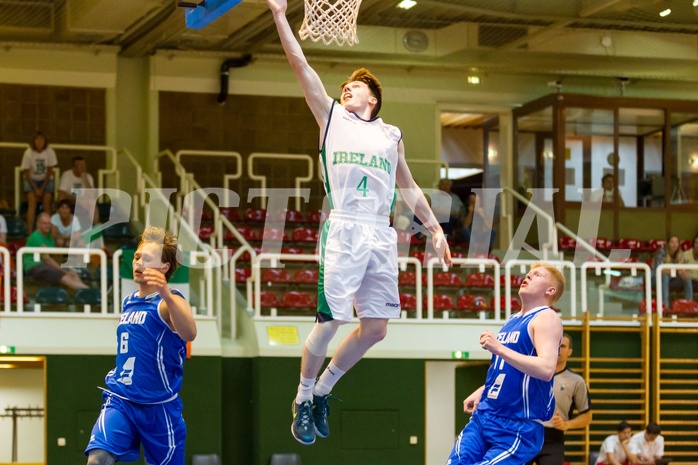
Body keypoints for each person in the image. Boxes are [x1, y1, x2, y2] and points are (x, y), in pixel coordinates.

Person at [267, 0, 452, 446]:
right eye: (344, 86)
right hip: (346, 226)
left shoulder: (391, 136)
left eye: (354, 87)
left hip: (381, 232)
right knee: (330, 321)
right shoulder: (331, 117)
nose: (345, 89)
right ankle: (302, 397)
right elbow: (299, 63)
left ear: (373, 97)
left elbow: (408, 186)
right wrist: (278, 15)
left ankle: (325, 390)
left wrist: (435, 227)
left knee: (376, 328)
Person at [84, 226, 197, 464]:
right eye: (137, 257)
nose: (139, 262)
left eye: (147, 259)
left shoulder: (170, 301)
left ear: (164, 268)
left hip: (160, 407)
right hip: (122, 399)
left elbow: (190, 332)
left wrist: (165, 292)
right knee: (98, 459)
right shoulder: (128, 302)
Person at [447, 262, 565, 465]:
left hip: (518, 424)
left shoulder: (546, 317)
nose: (528, 276)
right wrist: (483, 390)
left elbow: (546, 369)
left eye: (536, 274)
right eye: (528, 273)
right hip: (487, 414)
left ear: (550, 290)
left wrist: (498, 348)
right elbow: (508, 367)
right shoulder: (512, 319)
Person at [527, 332, 593, 465]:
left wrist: (566, 424)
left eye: (562, 346)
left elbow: (587, 416)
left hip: (553, 439)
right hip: (527, 434)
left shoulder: (576, 381)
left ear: (569, 351)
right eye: (556, 345)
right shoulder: (531, 374)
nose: (558, 349)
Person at [23, 212, 88, 291]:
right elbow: (48, 259)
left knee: (73, 273)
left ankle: (88, 292)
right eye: (44, 223)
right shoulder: (36, 236)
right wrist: (65, 271)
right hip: (34, 266)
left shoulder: (49, 236)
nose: (47, 225)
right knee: (64, 275)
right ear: (38, 224)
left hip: (45, 265)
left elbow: (54, 255)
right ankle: (90, 293)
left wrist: (65, 270)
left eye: (49, 223)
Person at [21, 131, 57, 232]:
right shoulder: (28, 152)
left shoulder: (50, 152)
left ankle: (48, 230)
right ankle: (29, 231)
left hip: (46, 179)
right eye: (37, 139)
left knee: (47, 203)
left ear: (45, 141)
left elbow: (50, 170)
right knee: (32, 204)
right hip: (31, 179)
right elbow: (26, 172)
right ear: (34, 141)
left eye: (42, 139)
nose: (39, 142)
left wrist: (42, 188)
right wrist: (35, 188)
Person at [652, 235, 693, 308]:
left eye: (676, 242)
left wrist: (683, 272)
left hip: (672, 279)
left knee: (687, 278)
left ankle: (689, 305)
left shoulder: (681, 253)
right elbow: (661, 270)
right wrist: (678, 271)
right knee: (665, 277)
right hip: (656, 279)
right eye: (672, 242)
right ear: (668, 244)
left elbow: (681, 269)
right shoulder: (661, 252)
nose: (674, 244)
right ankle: (665, 307)